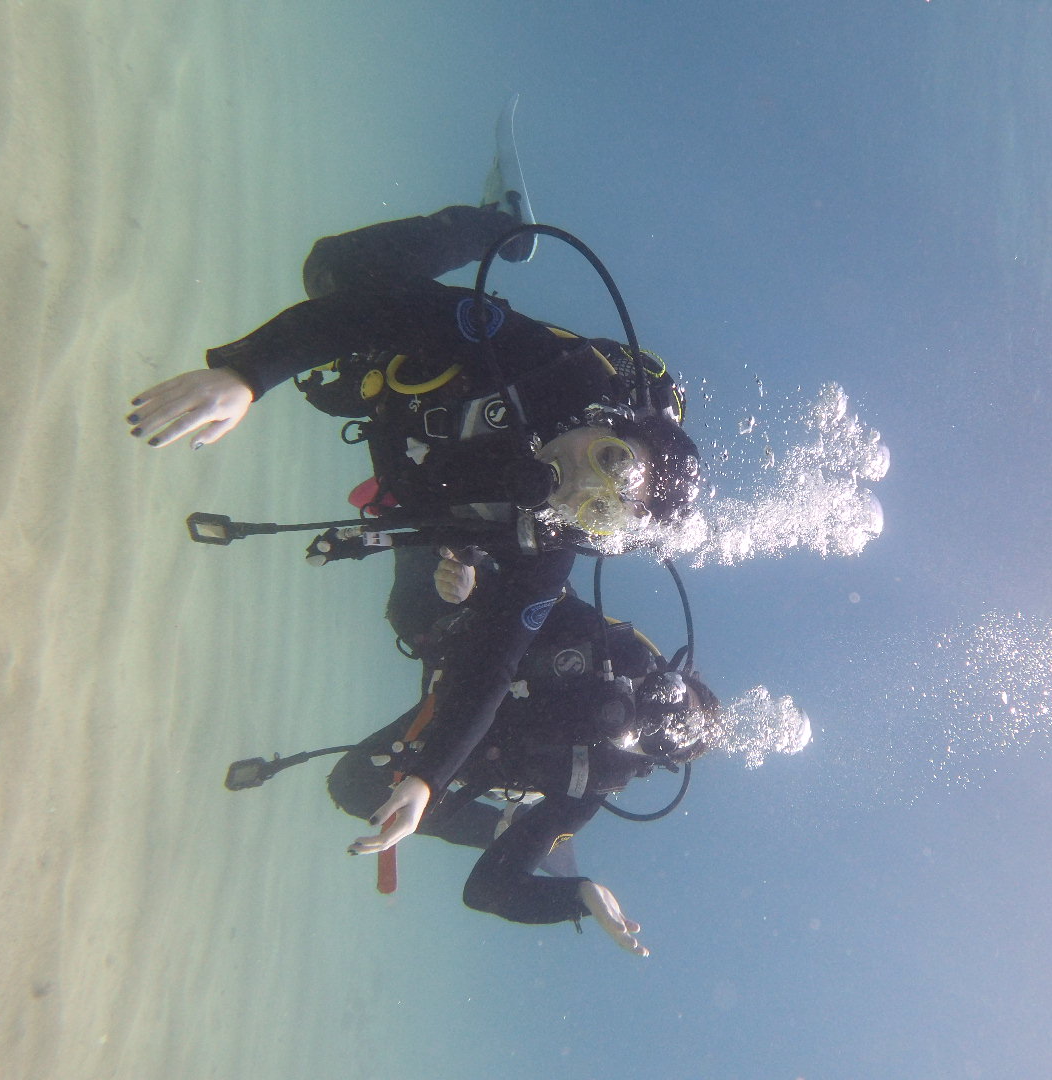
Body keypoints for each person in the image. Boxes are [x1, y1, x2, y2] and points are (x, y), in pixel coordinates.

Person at [126, 197, 703, 863]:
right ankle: (497, 222)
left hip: (412, 442)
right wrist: (247, 373)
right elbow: (391, 312)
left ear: (601, 535)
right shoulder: (543, 368)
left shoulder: (548, 549)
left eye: (600, 511)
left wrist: (429, 780)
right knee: (335, 273)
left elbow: (492, 668)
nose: (576, 486)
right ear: (610, 422)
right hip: (428, 371)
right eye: (611, 460)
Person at [326, 588, 716, 956]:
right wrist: (474, 581)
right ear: (660, 672)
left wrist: (578, 896)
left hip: (447, 738)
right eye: (659, 692)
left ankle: (497, 829)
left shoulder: (591, 781)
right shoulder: (604, 643)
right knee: (411, 606)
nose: (629, 714)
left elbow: (487, 891)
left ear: (648, 757)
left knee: (352, 787)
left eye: (654, 735)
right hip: (462, 662)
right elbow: (530, 589)